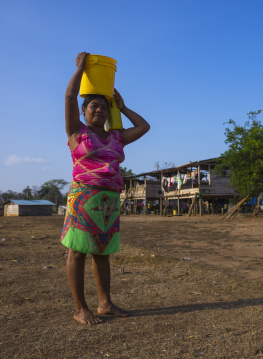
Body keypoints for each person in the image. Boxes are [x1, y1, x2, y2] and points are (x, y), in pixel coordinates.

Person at [61, 52, 150, 324]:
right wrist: (80, 69)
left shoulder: (116, 137)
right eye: (93, 107)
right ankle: (79, 309)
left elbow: (144, 126)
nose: (98, 110)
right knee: (77, 251)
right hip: (83, 197)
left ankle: (105, 304)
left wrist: (121, 107)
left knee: (102, 252)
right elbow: (68, 98)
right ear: (84, 110)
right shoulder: (77, 131)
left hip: (109, 201)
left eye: (103, 107)